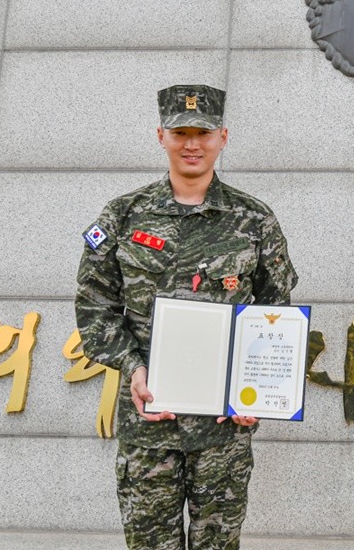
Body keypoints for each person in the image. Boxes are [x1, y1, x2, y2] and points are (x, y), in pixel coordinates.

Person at [75, 84, 298, 550]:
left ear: (223, 136)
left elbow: (277, 315)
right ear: (161, 135)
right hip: (149, 424)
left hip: (223, 432)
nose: (192, 143)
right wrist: (133, 368)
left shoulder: (254, 220)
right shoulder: (123, 216)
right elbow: (95, 308)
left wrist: (258, 389)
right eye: (180, 132)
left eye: (204, 132)